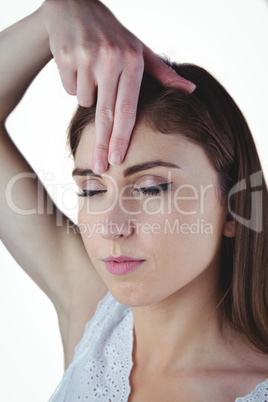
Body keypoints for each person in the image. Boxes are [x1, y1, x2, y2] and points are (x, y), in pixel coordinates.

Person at [0, 1, 267, 402]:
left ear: (237, 207)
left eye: (151, 187)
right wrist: (54, 14)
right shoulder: (95, 314)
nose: (111, 226)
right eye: (92, 190)